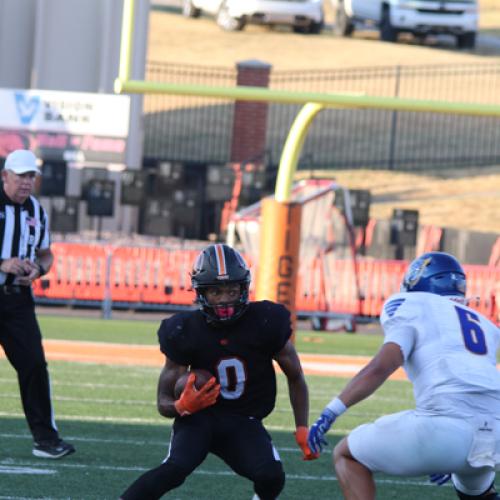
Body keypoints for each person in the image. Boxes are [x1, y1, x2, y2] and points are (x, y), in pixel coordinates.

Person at [121, 243, 317, 499]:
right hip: (197, 418)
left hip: (243, 419)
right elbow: (163, 402)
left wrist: (302, 427)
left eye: (232, 290)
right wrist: (183, 406)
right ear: (201, 292)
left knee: (271, 475)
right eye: (215, 291)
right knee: (174, 470)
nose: (225, 299)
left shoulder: (266, 321)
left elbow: (295, 377)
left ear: (243, 288)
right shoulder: (184, 330)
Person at [308, 251, 500, 500]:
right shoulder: (484, 323)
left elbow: (383, 365)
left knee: (347, 454)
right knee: (478, 493)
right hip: (494, 431)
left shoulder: (412, 303)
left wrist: (330, 412)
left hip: (448, 430)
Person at [0, 149, 75, 459]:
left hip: (18, 302)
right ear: (5, 176)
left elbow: (45, 254)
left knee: (34, 366)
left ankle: (45, 439)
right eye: (21, 176)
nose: (27, 182)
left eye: (31, 176)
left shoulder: (37, 212)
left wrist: (38, 270)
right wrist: (2, 263)